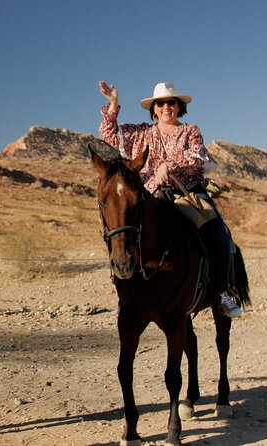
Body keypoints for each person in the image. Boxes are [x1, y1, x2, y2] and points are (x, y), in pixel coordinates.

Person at [97, 80, 242, 318]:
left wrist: (169, 166)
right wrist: (113, 103)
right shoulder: (140, 133)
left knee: (217, 230)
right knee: (121, 227)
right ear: (153, 109)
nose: (166, 107)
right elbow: (108, 133)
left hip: (186, 192)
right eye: (161, 103)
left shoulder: (191, 131)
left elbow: (198, 158)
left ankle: (222, 292)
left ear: (178, 107)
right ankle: (128, 294)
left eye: (171, 102)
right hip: (150, 194)